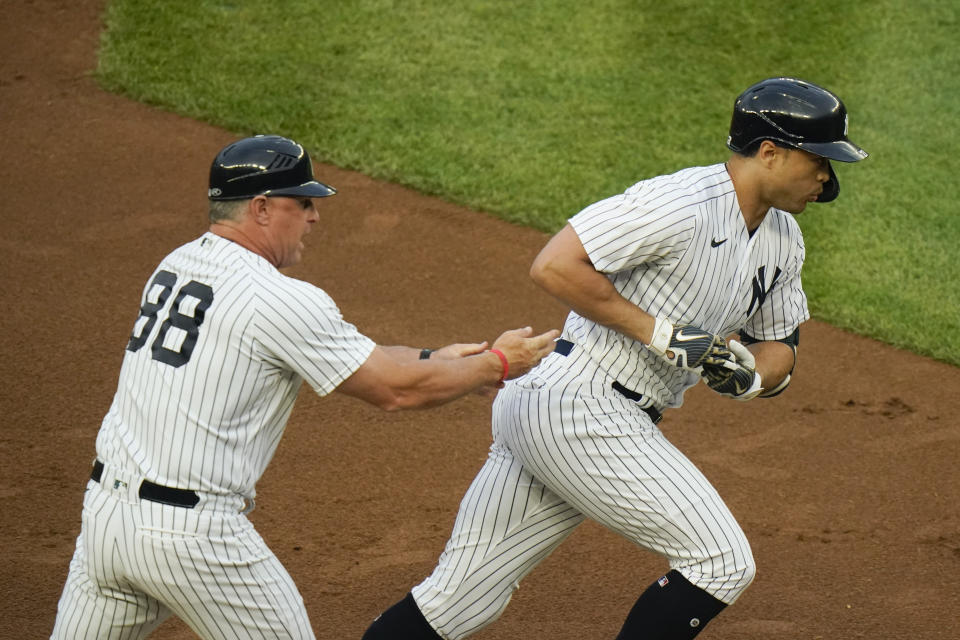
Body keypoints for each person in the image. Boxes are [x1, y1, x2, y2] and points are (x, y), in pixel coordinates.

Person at [362, 77, 868, 640]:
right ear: (769, 153)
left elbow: (781, 346)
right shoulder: (677, 204)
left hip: (568, 414)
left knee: (460, 600)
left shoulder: (786, 240)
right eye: (819, 159)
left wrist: (751, 375)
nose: (828, 176)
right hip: (581, 405)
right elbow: (555, 265)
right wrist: (662, 334)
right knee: (720, 562)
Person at [50, 134, 560, 640]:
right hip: (193, 540)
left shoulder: (178, 263)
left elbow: (363, 358)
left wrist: (435, 358)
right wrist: (497, 363)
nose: (315, 216)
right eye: (304, 202)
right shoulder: (279, 298)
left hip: (105, 523)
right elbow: (397, 391)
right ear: (263, 207)